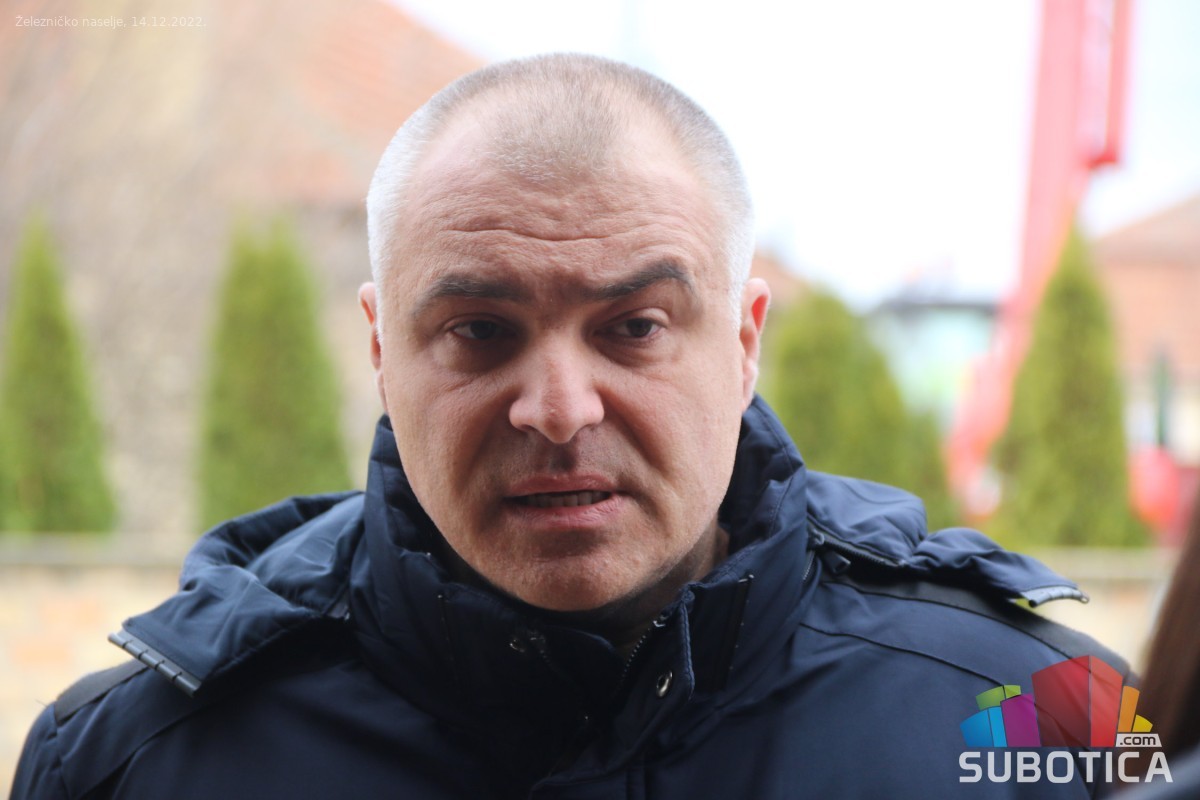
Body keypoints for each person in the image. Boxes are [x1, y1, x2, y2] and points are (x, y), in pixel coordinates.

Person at [12, 53, 1130, 799]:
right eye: (479, 331)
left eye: (634, 327)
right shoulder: (132, 760)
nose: (558, 408)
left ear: (744, 342)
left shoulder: (1051, 714)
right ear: (381, 350)